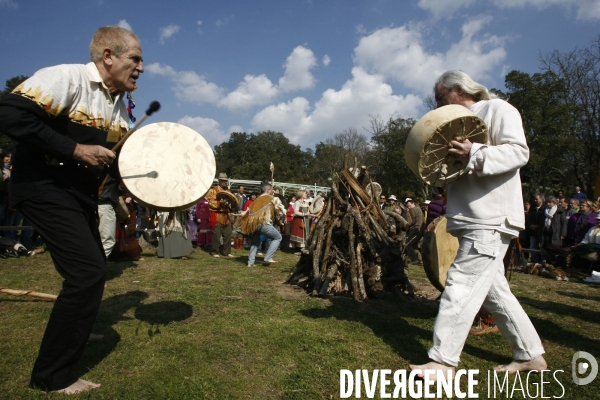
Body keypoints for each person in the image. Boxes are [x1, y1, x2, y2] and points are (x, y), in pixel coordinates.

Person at [0, 26, 143, 394]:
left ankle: (75, 330)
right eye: (135, 59)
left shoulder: (119, 109)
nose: (142, 68)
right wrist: (74, 149)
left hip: (79, 197)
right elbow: (10, 113)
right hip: (43, 188)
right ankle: (53, 375)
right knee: (87, 272)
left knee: (93, 270)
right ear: (108, 56)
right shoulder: (66, 78)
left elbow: (117, 165)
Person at [410, 70, 546, 379]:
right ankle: (530, 355)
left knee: (461, 285)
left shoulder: (497, 109)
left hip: (490, 218)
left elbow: (518, 151)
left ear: (459, 89)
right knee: (493, 292)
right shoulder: (454, 124)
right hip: (473, 219)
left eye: (440, 96)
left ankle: (442, 362)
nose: (436, 103)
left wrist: (475, 151)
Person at [244, 182, 286, 267]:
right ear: (268, 190)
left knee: (255, 242)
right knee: (278, 237)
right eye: (271, 190)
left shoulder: (256, 200)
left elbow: (248, 211)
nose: (272, 192)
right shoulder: (271, 198)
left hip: (254, 224)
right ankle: (268, 257)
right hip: (264, 223)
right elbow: (281, 211)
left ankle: (250, 262)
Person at [206, 172, 235, 258]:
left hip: (226, 216)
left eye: (226, 181)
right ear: (219, 181)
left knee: (228, 235)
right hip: (217, 215)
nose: (225, 182)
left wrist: (230, 205)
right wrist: (220, 203)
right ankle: (215, 251)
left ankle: (227, 251)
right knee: (216, 235)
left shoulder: (228, 191)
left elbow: (233, 201)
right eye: (223, 181)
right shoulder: (213, 190)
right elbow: (211, 202)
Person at [291, 189, 314, 254]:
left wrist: (311, 214)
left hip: (306, 220)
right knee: (299, 233)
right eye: (305, 193)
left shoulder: (305, 202)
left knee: (305, 233)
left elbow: (308, 211)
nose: (306, 194)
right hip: (299, 220)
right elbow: (296, 212)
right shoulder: (297, 202)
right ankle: (297, 249)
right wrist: (304, 214)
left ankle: (303, 247)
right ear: (301, 195)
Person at [404, 198, 423, 265]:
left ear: (412, 203)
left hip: (415, 230)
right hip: (420, 230)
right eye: (407, 205)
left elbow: (410, 221)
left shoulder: (412, 210)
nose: (408, 207)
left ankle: (414, 260)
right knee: (414, 245)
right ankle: (420, 260)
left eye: (409, 205)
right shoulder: (419, 209)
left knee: (407, 244)